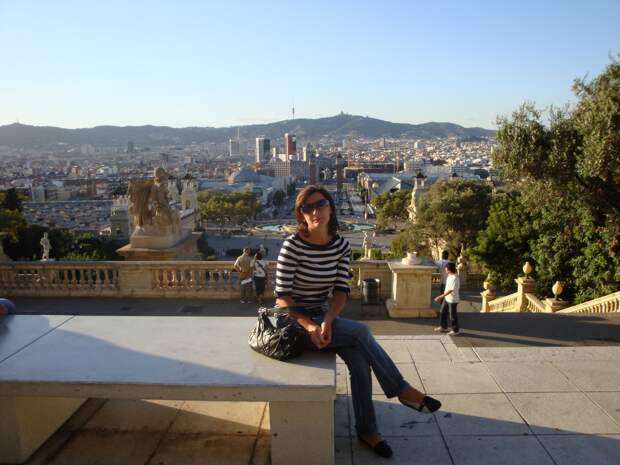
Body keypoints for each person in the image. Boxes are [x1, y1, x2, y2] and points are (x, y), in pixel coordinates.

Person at [275, 185, 441, 458]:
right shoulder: (292, 246)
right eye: (307, 207)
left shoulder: (340, 245)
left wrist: (329, 320)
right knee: (361, 331)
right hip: (293, 322)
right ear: (301, 214)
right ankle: (401, 390)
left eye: (321, 204)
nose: (315, 211)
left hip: (322, 316)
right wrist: (311, 326)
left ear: (331, 208)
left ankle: (367, 431)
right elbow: (282, 298)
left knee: (360, 363)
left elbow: (341, 291)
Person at [434, 262, 460, 336]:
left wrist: (440, 296)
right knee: (442, 312)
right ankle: (443, 327)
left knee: (452, 315)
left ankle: (455, 330)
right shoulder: (449, 276)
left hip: (453, 300)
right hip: (447, 298)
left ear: (449, 269)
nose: (445, 270)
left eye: (446, 269)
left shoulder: (455, 278)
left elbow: (450, 290)